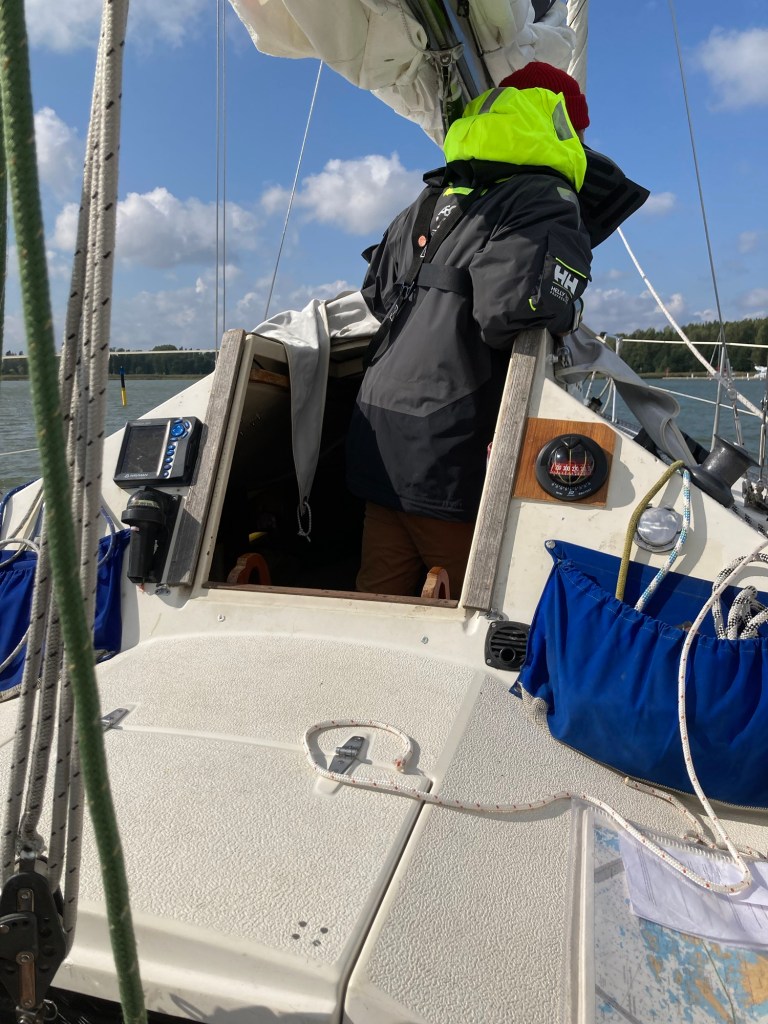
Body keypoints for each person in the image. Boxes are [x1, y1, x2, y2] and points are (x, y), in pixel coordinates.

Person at [346, 62, 594, 598]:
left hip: (378, 425)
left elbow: (377, 295)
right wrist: (568, 308)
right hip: (448, 437)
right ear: (561, 128)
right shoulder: (544, 199)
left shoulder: (429, 197)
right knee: (469, 602)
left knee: (378, 594)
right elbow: (513, 311)